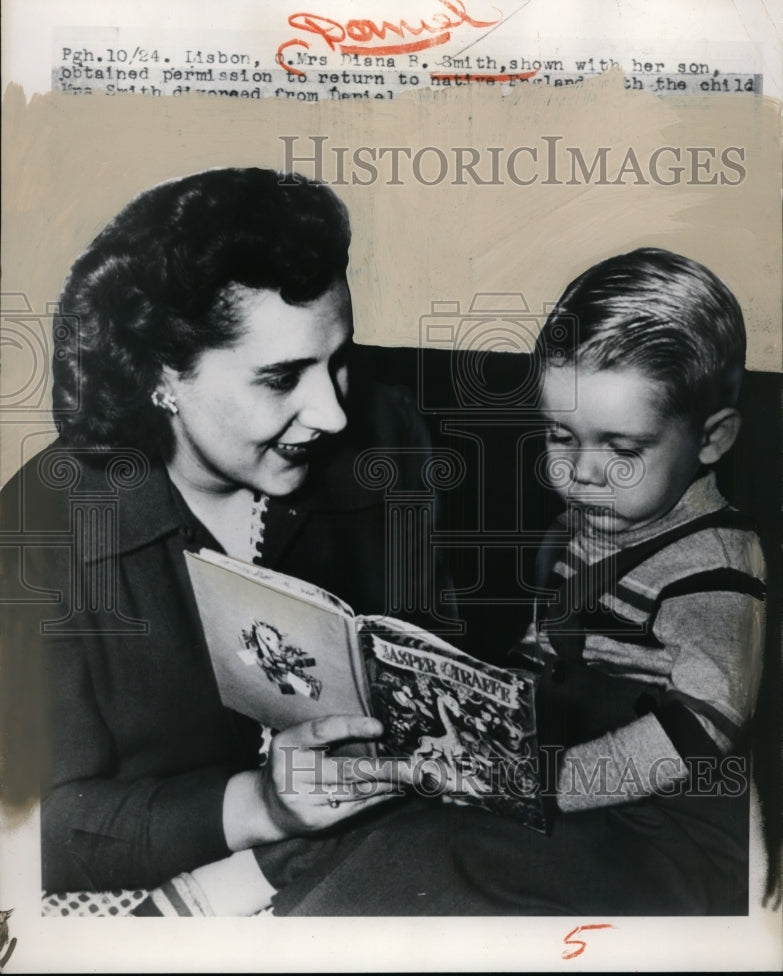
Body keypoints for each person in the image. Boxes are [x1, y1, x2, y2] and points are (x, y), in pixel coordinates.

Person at [233, 246, 765, 917]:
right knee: (386, 791)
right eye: (560, 437)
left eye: (622, 449)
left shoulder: (717, 567)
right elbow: (546, 658)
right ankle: (245, 891)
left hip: (658, 834)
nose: (583, 473)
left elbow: (696, 734)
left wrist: (543, 782)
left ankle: (303, 923)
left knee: (447, 853)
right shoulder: (591, 524)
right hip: (560, 788)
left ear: (712, 439)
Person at [0, 167, 451, 905]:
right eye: (281, 379)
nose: (333, 414)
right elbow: (36, 831)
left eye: (338, 363)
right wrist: (259, 806)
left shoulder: (386, 436)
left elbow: (429, 641)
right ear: (162, 379)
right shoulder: (36, 537)